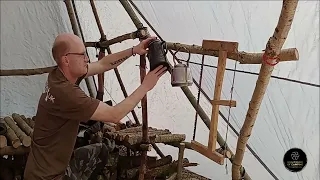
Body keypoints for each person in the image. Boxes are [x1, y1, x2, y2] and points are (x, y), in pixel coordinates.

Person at [23, 33, 167, 180]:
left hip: (46, 168)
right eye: (81, 54)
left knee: (100, 151)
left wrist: (133, 51)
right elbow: (114, 115)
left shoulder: (58, 75)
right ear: (66, 59)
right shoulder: (67, 94)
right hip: (45, 176)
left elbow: (102, 64)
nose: (86, 58)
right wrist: (145, 86)